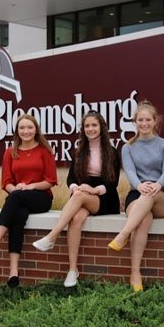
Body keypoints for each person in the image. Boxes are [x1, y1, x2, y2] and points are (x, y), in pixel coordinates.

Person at [32, 110, 120, 287]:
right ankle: (73, 270)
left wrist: (93, 190)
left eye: (94, 125)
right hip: (82, 195)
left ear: (101, 127)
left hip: (104, 198)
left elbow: (113, 182)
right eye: (87, 126)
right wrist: (76, 187)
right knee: (77, 218)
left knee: (79, 196)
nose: (90, 129)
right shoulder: (80, 150)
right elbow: (71, 178)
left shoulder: (111, 151)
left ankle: (52, 236)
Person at [0, 114, 57, 288]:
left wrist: (29, 187)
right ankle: (13, 272)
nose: (26, 131)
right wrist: (16, 190)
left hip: (41, 197)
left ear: (36, 129)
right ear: (17, 131)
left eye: (29, 127)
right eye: (22, 128)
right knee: (18, 217)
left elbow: (50, 181)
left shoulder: (45, 151)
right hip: (18, 197)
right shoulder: (10, 152)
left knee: (16, 198)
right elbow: (6, 183)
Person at [107, 101, 164, 292]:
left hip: (162, 194)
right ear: (135, 122)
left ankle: (123, 235)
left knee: (149, 196)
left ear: (154, 122)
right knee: (143, 218)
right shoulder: (128, 147)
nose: (144, 123)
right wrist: (139, 185)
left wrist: (157, 185)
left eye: (147, 120)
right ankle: (135, 273)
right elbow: (129, 172)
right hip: (136, 193)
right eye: (140, 120)